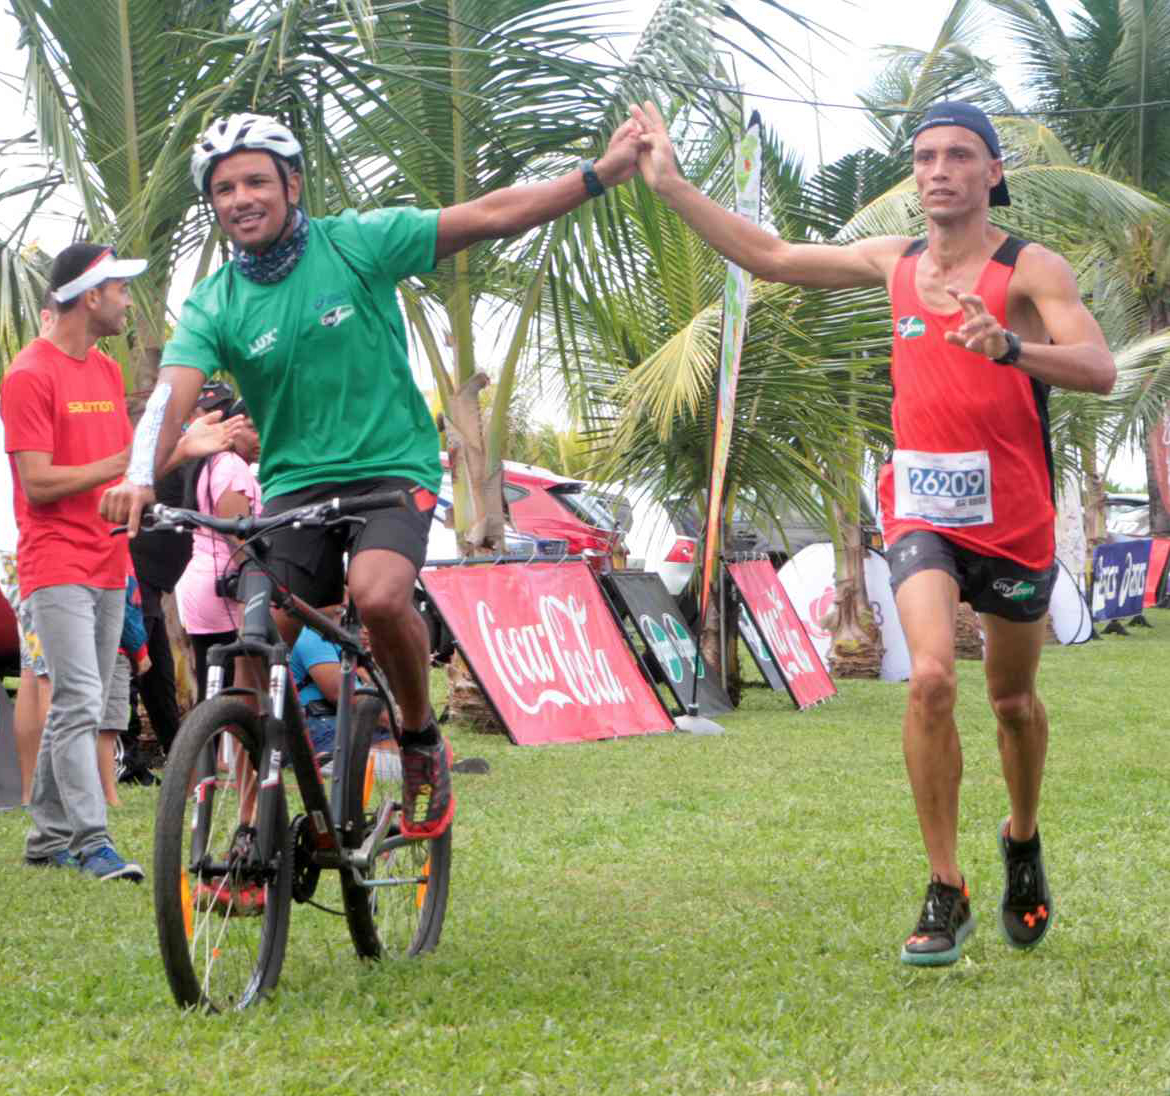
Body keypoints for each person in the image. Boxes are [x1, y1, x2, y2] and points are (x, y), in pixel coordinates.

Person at [630, 100, 1115, 964]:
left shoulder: (1032, 269)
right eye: (926, 155)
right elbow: (770, 254)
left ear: (992, 174)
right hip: (921, 506)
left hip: (1015, 519)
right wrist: (671, 187)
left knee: (1010, 701)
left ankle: (1023, 840)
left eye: (960, 155)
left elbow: (1099, 369)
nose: (939, 170)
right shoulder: (891, 262)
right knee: (930, 677)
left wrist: (1008, 348)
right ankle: (944, 885)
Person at [101, 111, 642, 842]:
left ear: (292, 184)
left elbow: (486, 216)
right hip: (294, 486)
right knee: (256, 644)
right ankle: (248, 829)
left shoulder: (355, 242)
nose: (240, 199)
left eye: (256, 180)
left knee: (379, 595)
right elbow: (171, 394)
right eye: (224, 188)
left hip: (392, 471)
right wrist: (141, 471)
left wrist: (597, 175)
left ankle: (418, 738)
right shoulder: (216, 300)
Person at [4, 243, 243, 880]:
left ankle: (46, 837)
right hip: (54, 561)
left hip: (112, 560)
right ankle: (90, 841)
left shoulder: (107, 373)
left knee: (80, 704)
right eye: (119, 290)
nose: (127, 301)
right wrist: (124, 462)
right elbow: (37, 484)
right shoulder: (28, 375)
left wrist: (182, 448)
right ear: (90, 295)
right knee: (80, 696)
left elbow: (131, 478)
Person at [175, 394, 262, 699]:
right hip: (225, 589)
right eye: (252, 428)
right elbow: (238, 541)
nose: (260, 437)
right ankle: (215, 747)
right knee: (231, 694)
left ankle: (204, 747)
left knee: (213, 693)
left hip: (206, 584)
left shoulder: (214, 463)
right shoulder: (232, 468)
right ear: (229, 428)